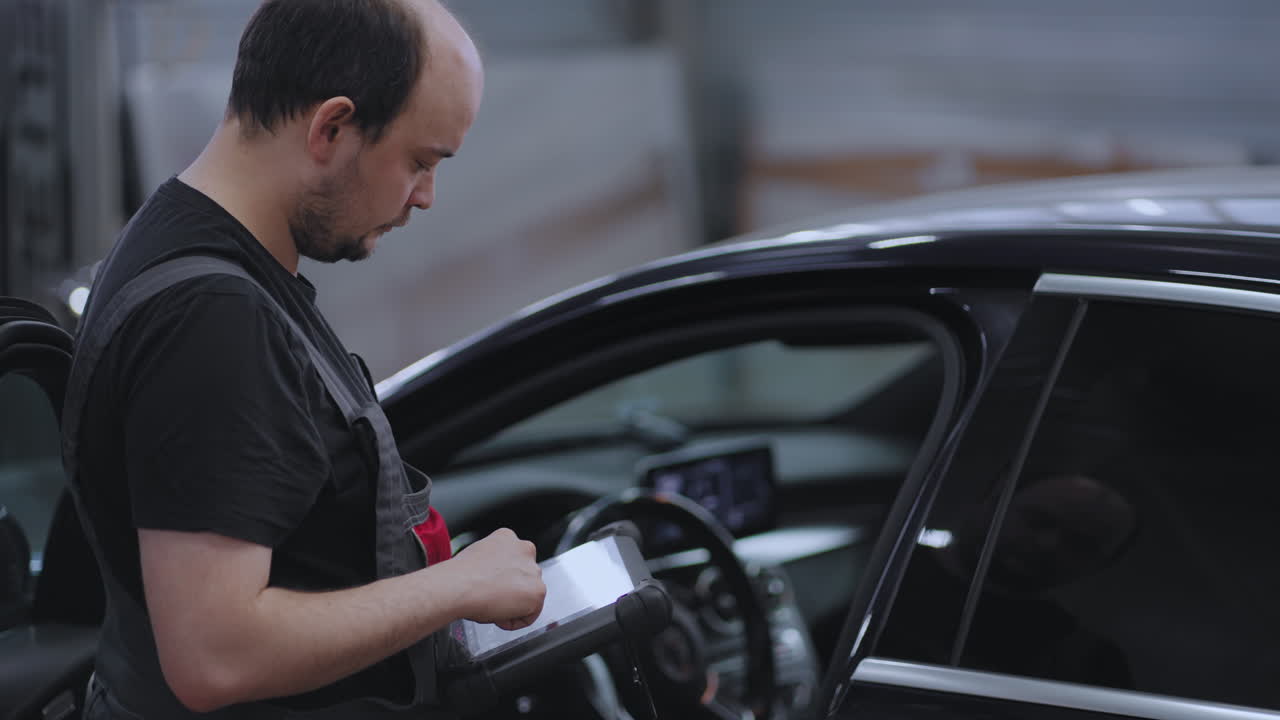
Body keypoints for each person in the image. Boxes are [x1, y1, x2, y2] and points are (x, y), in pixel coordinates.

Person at [65, 1, 546, 718]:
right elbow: (215, 655)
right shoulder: (212, 318)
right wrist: (457, 586)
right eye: (419, 161)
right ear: (331, 128)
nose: (424, 197)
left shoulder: (185, 241)